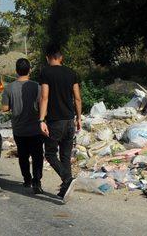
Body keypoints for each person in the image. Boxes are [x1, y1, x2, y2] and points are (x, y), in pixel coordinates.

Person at [38, 44, 82, 203]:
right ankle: (65, 189)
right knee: (65, 155)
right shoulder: (71, 73)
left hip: (55, 121)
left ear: (47, 58)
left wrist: (41, 120)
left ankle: (67, 179)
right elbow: (77, 98)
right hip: (70, 120)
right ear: (61, 57)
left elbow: (44, 97)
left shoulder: (46, 72)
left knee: (50, 154)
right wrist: (79, 118)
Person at [1, 58, 44, 194]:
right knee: (37, 156)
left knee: (23, 155)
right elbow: (42, 104)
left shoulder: (9, 88)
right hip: (35, 129)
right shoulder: (37, 86)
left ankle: (27, 180)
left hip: (19, 129)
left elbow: (5, 108)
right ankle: (37, 181)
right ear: (29, 70)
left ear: (16, 71)